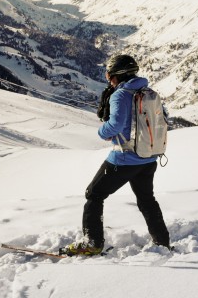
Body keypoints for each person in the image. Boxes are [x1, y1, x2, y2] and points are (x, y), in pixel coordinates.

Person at [60, 54, 170, 256]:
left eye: (109, 76)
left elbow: (115, 125)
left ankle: (92, 243)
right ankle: (162, 241)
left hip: (124, 159)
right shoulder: (148, 92)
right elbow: (163, 118)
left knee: (94, 195)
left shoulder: (120, 95)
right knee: (147, 200)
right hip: (149, 158)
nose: (108, 79)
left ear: (117, 76)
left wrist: (102, 132)